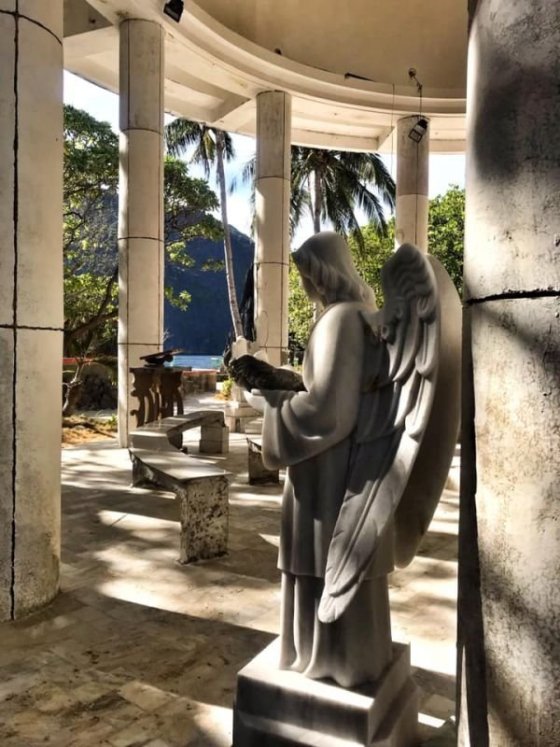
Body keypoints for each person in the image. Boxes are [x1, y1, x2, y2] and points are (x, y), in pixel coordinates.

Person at [246, 232, 394, 689]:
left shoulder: (339, 321)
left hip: (325, 471)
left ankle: (325, 659)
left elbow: (329, 411)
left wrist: (270, 403)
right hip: (340, 466)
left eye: (306, 272)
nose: (303, 282)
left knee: (323, 558)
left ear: (322, 272)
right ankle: (353, 655)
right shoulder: (360, 316)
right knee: (333, 560)